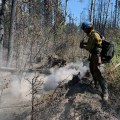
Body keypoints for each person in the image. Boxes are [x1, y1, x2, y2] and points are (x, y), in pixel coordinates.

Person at [80, 22, 109, 101]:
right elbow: (92, 44)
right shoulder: (92, 34)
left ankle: (105, 93)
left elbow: (89, 47)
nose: (84, 31)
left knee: (99, 74)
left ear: (88, 28)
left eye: (84, 29)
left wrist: (83, 46)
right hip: (93, 56)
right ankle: (96, 86)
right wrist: (84, 43)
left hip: (97, 56)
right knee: (92, 70)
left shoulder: (94, 35)